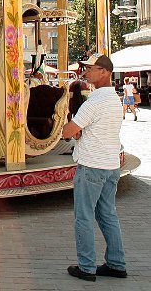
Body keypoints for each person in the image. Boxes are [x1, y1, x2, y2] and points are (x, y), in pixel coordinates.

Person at [62, 52, 127, 282]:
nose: (86, 71)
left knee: (84, 216)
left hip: (91, 165)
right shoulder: (115, 100)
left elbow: (68, 131)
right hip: (110, 165)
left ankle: (87, 267)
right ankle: (117, 263)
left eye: (91, 68)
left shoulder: (94, 102)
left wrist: (74, 130)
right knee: (108, 214)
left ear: (104, 72)